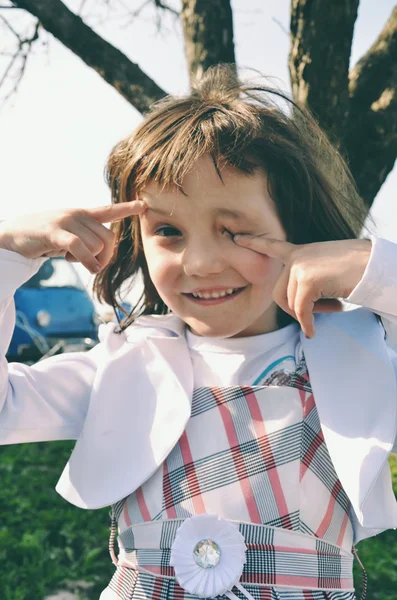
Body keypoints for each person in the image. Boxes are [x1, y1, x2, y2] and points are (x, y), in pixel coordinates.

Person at [0, 65, 396, 600]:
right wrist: (8, 252)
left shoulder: (357, 353)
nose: (202, 262)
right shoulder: (124, 365)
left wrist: (369, 266)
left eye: (234, 230)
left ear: (295, 231)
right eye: (168, 231)